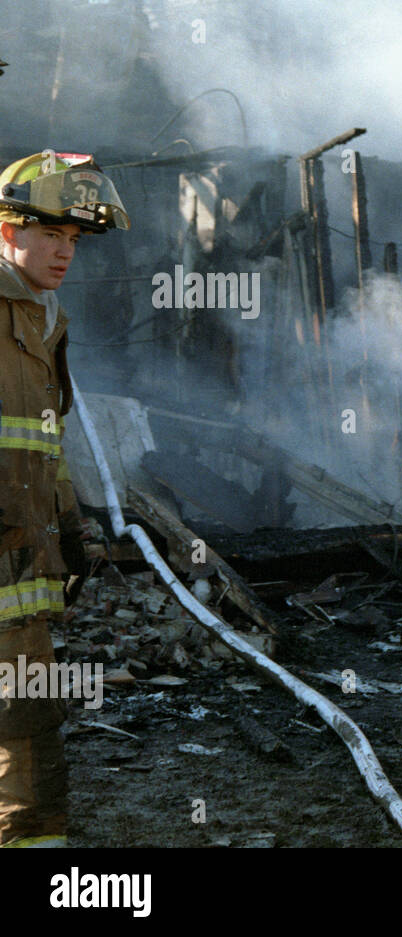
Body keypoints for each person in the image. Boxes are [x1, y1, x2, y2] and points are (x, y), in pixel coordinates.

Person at [0, 151, 130, 848]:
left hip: (23, 576)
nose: (64, 252)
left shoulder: (46, 320)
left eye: (74, 240)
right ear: (5, 227)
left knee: (29, 736)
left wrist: (72, 527)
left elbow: (43, 447)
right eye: (50, 233)